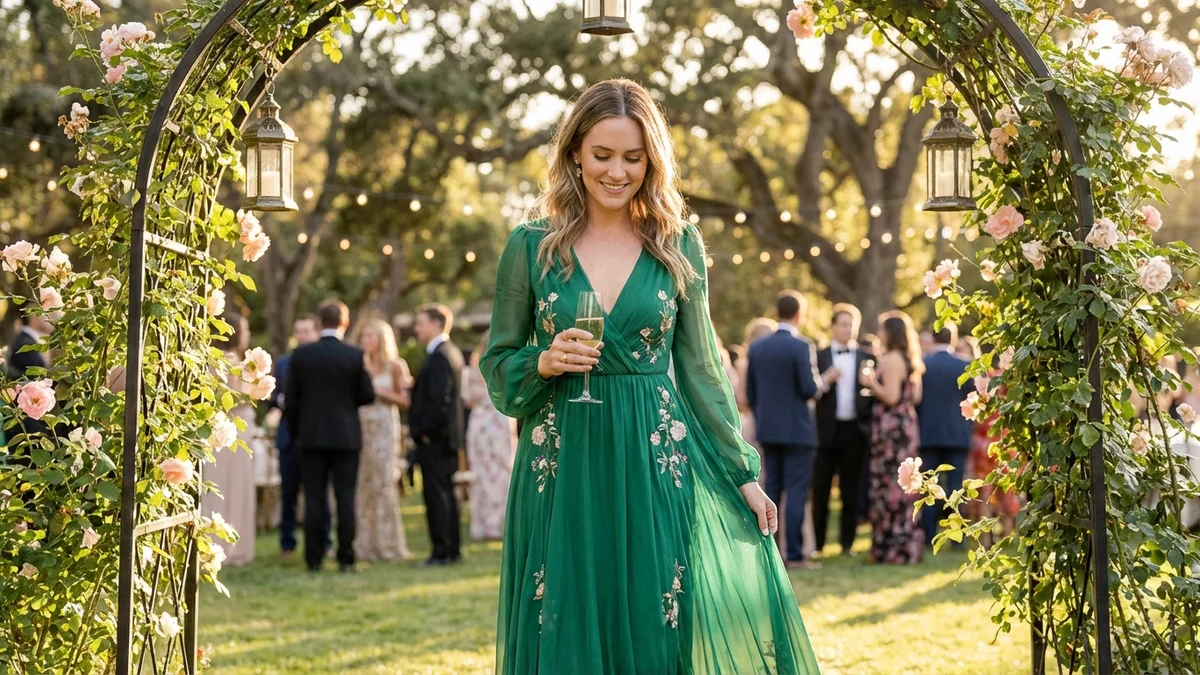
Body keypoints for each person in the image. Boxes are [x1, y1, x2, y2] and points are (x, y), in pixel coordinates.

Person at [482, 79, 819, 674]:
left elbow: (700, 368)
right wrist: (541, 361)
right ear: (575, 155)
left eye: (633, 157)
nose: (617, 171)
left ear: (652, 159)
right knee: (562, 615)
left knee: (653, 616)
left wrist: (741, 473)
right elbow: (497, 361)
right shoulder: (531, 246)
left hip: (654, 457)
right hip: (560, 462)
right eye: (602, 155)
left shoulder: (677, 242)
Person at [284, 300, 376, 573]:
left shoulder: (301, 355)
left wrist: (297, 431)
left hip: (311, 437)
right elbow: (367, 395)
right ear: (344, 323)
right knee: (345, 498)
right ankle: (346, 558)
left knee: (314, 498)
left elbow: (291, 401)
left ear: (319, 323)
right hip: (346, 438)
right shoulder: (354, 355)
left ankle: (314, 559)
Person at [746, 291, 827, 569]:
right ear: (799, 314)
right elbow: (809, 388)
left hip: (769, 429)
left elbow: (750, 392)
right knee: (796, 493)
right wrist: (821, 383)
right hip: (798, 432)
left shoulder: (757, 347)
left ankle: (771, 553)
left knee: (771, 489)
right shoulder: (802, 346)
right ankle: (793, 554)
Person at [859, 310, 924, 564]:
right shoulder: (911, 359)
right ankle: (904, 544)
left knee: (889, 485)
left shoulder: (892, 359)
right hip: (906, 426)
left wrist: (870, 382)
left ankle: (891, 547)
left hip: (891, 430)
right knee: (904, 484)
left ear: (891, 333)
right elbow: (915, 398)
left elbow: (892, 397)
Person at [813, 303, 874, 557]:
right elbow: (810, 391)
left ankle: (847, 543)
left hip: (855, 431)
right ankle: (817, 543)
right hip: (825, 430)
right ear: (833, 327)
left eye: (853, 326)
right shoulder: (819, 356)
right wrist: (826, 378)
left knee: (851, 489)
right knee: (821, 489)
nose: (849, 330)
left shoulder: (866, 358)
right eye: (844, 324)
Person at [409, 303, 466, 566]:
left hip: (437, 440)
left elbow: (438, 401)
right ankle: (451, 548)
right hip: (446, 438)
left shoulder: (440, 355)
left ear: (435, 324)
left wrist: (425, 434)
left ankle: (442, 551)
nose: (416, 328)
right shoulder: (449, 352)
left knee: (437, 495)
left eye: (421, 323)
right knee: (446, 494)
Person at [352, 317, 413, 561]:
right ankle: (365, 545)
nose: (365, 341)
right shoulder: (359, 364)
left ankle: (389, 544)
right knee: (363, 485)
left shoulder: (395, 365)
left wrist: (379, 392)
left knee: (384, 484)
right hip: (361, 427)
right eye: (363, 336)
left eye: (370, 336)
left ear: (381, 339)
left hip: (385, 427)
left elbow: (405, 400)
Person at [200, 313, 258, 566]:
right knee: (238, 487)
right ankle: (236, 546)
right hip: (239, 430)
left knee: (213, 486)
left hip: (212, 429)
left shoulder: (207, 362)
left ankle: (210, 543)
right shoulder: (246, 366)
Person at [268, 314, 327, 557]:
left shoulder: (323, 361)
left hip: (315, 434)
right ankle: (287, 543)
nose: (301, 336)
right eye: (298, 331)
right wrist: (279, 401)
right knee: (288, 493)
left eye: (306, 331)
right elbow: (272, 396)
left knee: (320, 492)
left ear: (316, 333)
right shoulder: (283, 363)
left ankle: (325, 541)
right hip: (288, 436)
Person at [916, 324, 975, 545]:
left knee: (929, 486)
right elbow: (973, 402)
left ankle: (928, 535)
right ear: (953, 339)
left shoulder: (923, 365)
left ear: (932, 337)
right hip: (957, 434)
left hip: (928, 433)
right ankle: (957, 539)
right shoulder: (964, 366)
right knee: (956, 488)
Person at [461, 329, 518, 541]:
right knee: (502, 469)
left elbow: (467, 398)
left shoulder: (473, 370)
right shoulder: (503, 367)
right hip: (499, 418)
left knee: (484, 472)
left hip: (481, 421)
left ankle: (486, 525)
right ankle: (502, 523)